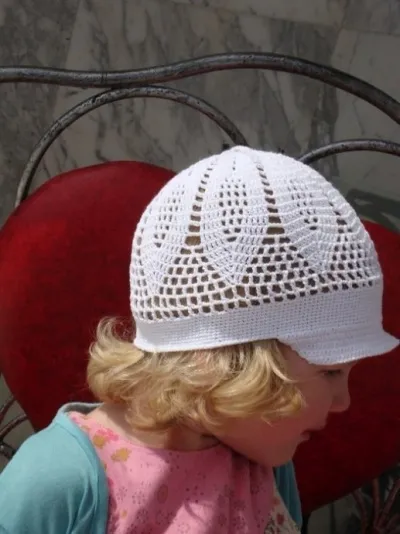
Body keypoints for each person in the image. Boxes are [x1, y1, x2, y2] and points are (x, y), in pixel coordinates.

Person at [0, 147, 397, 534]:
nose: (344, 402)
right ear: (232, 362)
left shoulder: (264, 461)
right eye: (330, 372)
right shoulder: (62, 480)